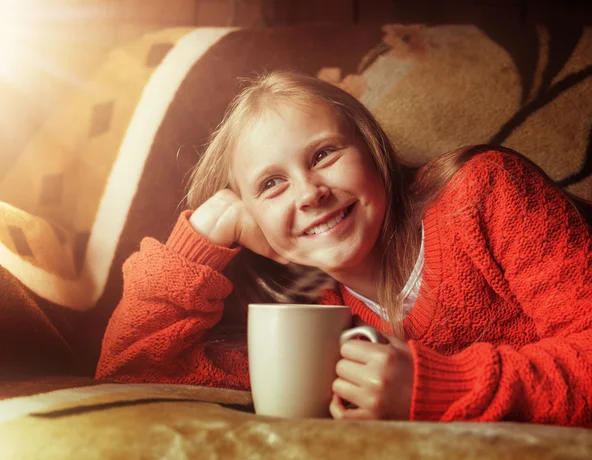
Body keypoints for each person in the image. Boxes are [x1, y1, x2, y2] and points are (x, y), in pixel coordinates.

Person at [96, 71, 592, 426]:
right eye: (271, 184)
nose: (310, 193)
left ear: (372, 148)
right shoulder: (312, 312)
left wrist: (439, 387)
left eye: (324, 154)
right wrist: (201, 238)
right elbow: (132, 374)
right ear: (254, 219)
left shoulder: (482, 192)